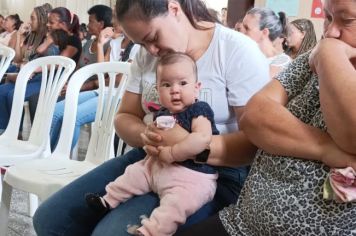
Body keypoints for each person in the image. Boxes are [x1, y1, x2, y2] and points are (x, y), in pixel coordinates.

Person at [33, 1, 269, 235]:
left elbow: (255, 144)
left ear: (174, 9)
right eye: (141, 43)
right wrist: (146, 135)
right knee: (49, 219)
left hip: (214, 171)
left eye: (154, 37)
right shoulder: (147, 55)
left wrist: (188, 145)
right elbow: (125, 116)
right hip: (151, 159)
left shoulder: (235, 50)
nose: (151, 51)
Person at [176, 0, 356, 235]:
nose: (331, 32)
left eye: (348, 20)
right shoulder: (310, 60)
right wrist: (325, 148)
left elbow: (351, 135)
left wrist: (330, 54)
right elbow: (254, 115)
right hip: (241, 223)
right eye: (329, 18)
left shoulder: (325, 53)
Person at [86, 52, 219, 236]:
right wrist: (150, 137)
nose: (174, 90)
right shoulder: (162, 112)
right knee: (133, 173)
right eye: (166, 85)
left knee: (175, 206)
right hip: (157, 167)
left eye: (183, 83)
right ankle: (108, 200)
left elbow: (202, 139)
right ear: (157, 90)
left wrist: (173, 153)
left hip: (192, 177)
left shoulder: (199, 110)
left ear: (196, 88)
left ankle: (151, 232)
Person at [0, 5, 57, 134]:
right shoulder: (32, 36)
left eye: (33, 18)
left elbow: (46, 64)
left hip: (39, 78)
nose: (30, 21)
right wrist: (20, 35)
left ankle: (15, 131)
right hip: (26, 74)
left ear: (42, 20)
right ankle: (3, 130)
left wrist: (26, 69)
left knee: (13, 95)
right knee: (2, 91)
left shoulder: (49, 39)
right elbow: (18, 58)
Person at [240, 7, 291, 78]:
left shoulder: (282, 61)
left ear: (264, 32)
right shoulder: (247, 56)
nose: (242, 33)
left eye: (247, 28)